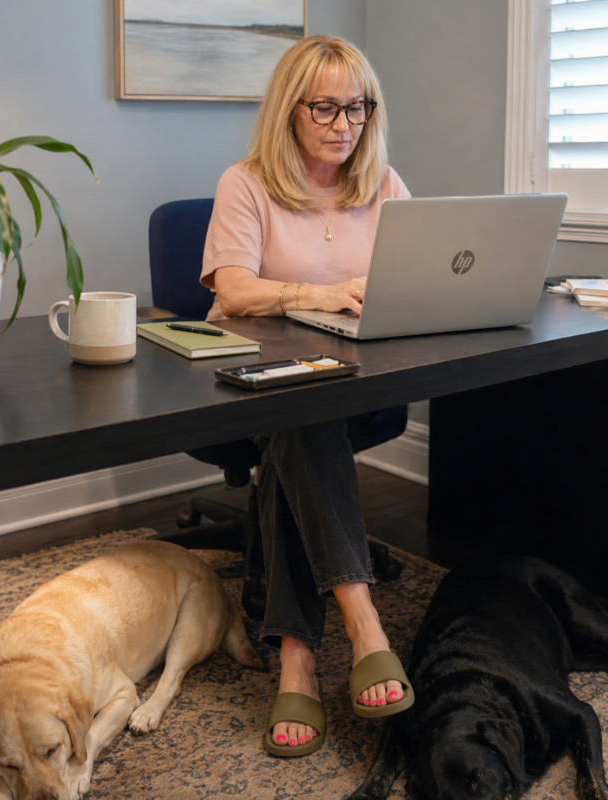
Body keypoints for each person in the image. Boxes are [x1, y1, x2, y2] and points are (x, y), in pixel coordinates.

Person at [200, 35, 414, 757]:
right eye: (325, 106)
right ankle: (362, 622)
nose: (343, 123)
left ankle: (296, 655)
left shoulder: (384, 185)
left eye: (357, 106)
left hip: (359, 384)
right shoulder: (247, 182)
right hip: (253, 384)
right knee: (300, 414)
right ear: (289, 111)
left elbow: (417, 278)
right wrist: (319, 294)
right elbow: (232, 289)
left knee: (306, 425)